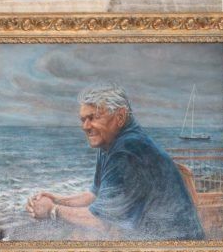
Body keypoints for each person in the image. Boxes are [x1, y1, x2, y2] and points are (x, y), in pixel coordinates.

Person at [25, 84, 204, 241]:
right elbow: (94, 196)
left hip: (175, 247)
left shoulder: (129, 150)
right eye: (83, 119)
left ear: (120, 116)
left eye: (93, 117)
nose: (85, 126)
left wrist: (52, 211)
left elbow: (102, 221)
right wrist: (56, 199)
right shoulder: (109, 144)